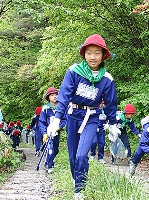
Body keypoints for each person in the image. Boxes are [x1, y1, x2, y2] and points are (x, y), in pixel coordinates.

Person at [46, 34, 120, 198]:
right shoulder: (74, 72)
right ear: (84, 53)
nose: (93, 57)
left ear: (103, 55)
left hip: (92, 117)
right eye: (89, 52)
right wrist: (57, 119)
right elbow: (64, 95)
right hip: (73, 115)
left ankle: (79, 189)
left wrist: (113, 124)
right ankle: (76, 178)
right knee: (73, 156)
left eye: (97, 53)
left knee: (81, 154)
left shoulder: (107, 79)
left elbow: (110, 103)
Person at [39, 87, 66, 173]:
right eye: (52, 95)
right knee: (50, 148)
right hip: (48, 132)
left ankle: (48, 160)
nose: (55, 97)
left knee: (56, 148)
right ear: (48, 97)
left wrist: (59, 127)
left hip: (56, 132)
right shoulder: (45, 108)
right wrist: (44, 133)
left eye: (56, 95)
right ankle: (50, 166)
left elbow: (65, 119)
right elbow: (41, 122)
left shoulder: (61, 107)